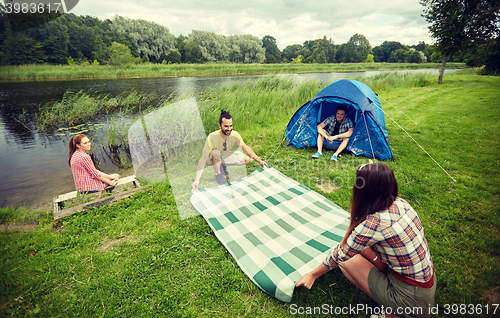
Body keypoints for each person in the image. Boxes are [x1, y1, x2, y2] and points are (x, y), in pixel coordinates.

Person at [296, 163, 435, 318]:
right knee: (360, 248)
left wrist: (312, 275)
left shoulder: (374, 224)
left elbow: (339, 255)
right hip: (423, 286)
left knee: (346, 260)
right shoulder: (401, 203)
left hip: (411, 300)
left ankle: (393, 313)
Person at [191, 110, 268, 191]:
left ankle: (222, 166)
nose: (229, 129)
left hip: (224, 154)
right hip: (211, 157)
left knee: (247, 159)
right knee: (216, 152)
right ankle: (218, 175)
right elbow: (203, 159)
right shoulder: (212, 137)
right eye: (226, 126)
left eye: (231, 126)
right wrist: (197, 180)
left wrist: (260, 161)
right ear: (220, 126)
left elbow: (246, 148)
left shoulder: (235, 134)